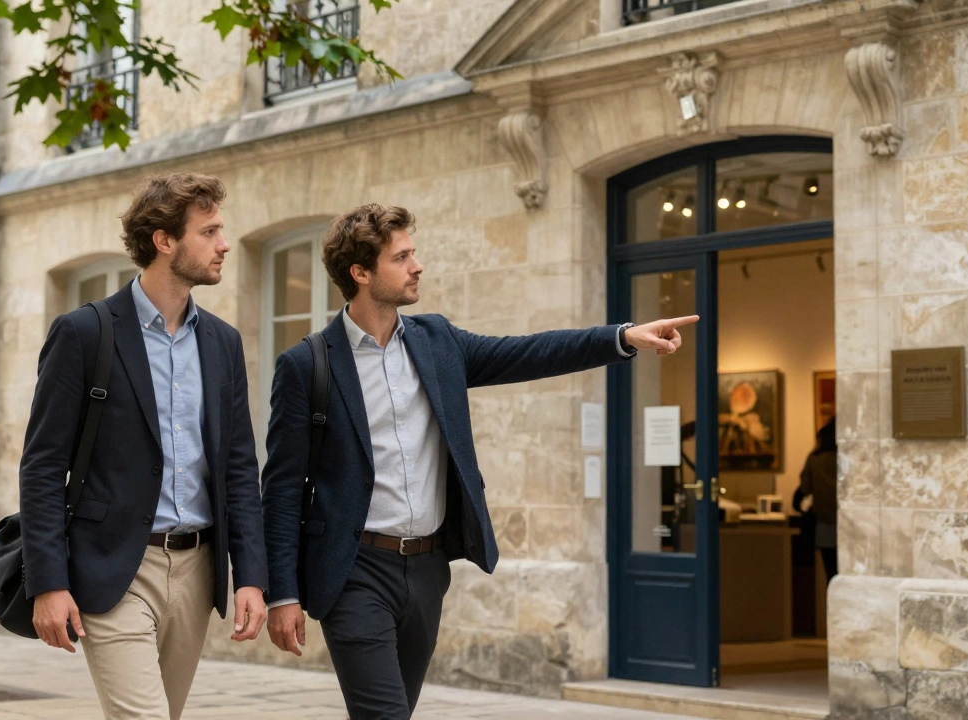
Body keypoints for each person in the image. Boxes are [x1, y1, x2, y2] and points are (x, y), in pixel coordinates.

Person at [260, 204, 698, 720]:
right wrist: (281, 594)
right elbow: (284, 489)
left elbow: (528, 353)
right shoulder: (307, 365)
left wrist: (621, 338)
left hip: (426, 570)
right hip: (355, 571)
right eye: (401, 257)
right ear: (360, 273)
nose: (417, 265)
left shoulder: (438, 341)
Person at [18, 172, 267, 720]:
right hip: (115, 569)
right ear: (164, 241)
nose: (224, 244)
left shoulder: (222, 342)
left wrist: (251, 574)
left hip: (199, 569)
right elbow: (42, 466)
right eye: (209, 231)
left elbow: (238, 470)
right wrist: (49, 583)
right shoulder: (85, 333)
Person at [795, 417, 838, 583]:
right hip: (850, 527)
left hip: (825, 526)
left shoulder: (815, 460)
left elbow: (805, 488)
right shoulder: (850, 458)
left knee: (831, 576)